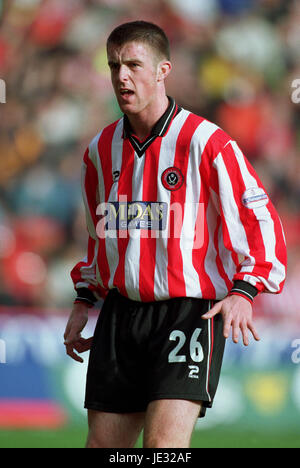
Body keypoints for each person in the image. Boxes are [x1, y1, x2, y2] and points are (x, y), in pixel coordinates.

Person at [63, 21, 287, 449]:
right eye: (114, 66)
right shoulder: (98, 151)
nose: (121, 76)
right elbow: (100, 237)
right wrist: (83, 299)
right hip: (120, 315)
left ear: (164, 69)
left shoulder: (207, 142)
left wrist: (245, 290)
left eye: (133, 64)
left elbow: (262, 220)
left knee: (163, 449)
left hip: (187, 314)